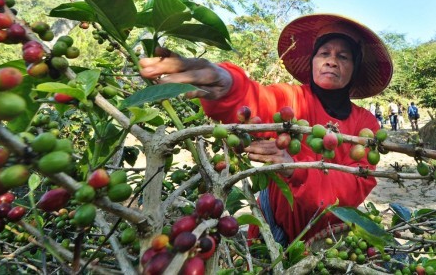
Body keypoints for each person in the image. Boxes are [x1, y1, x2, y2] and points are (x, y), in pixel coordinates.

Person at [139, 14, 392, 247]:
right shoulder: (293, 98)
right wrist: (225, 82)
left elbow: (354, 187)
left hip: (328, 239)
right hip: (273, 231)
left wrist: (295, 166)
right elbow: (259, 100)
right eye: (324, 52)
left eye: (343, 56)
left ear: (355, 67)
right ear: (313, 61)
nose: (331, 61)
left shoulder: (366, 124)